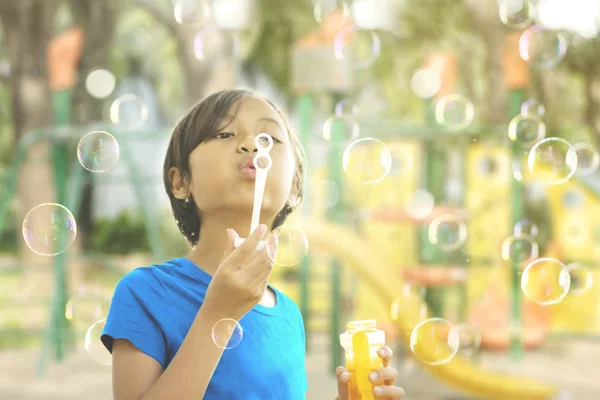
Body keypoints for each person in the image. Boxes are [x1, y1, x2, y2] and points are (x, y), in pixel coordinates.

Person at [101, 89, 406, 400]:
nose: (251, 144)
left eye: (270, 139)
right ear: (181, 182)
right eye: (224, 133)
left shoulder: (288, 315)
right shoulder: (145, 293)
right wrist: (218, 314)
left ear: (293, 188)